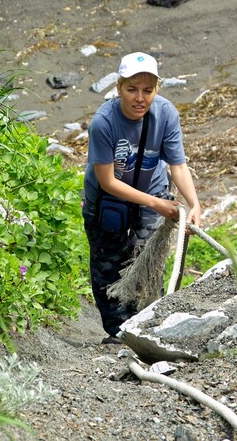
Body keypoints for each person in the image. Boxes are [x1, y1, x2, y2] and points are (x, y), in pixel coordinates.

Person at [82, 51, 201, 343]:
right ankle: (118, 333)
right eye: (132, 89)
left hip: (152, 192)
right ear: (119, 87)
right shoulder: (103, 123)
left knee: (149, 261)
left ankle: (148, 327)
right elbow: (107, 180)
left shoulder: (166, 114)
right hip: (108, 201)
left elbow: (178, 165)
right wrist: (155, 203)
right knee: (108, 266)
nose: (140, 98)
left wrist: (195, 203)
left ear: (156, 90)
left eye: (147, 90)